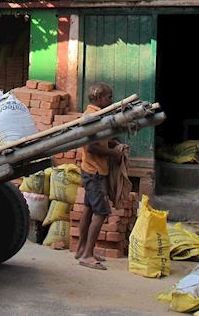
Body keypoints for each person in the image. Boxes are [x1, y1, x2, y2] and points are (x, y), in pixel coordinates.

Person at [74, 82, 128, 270]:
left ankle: (81, 249)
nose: (111, 100)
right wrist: (114, 154)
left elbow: (102, 141)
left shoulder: (98, 116)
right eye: (108, 97)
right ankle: (87, 255)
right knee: (101, 211)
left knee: (89, 209)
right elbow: (90, 147)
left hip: (93, 170)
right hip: (94, 172)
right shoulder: (91, 117)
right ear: (97, 97)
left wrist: (114, 146)